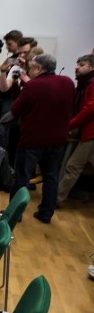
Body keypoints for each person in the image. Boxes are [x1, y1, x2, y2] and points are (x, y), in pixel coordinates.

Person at [11, 54, 76, 223]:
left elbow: (15, 110)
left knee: (22, 176)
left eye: (32, 67)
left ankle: (15, 213)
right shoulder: (68, 83)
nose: (30, 71)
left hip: (32, 139)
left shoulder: (32, 86)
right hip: (57, 139)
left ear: (39, 68)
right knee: (51, 176)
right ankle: (46, 213)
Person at [58, 54, 94, 204]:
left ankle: (56, 199)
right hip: (86, 132)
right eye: (77, 64)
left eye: (82, 65)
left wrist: (69, 125)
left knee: (73, 166)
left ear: (92, 68)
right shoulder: (84, 84)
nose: (77, 67)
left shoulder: (91, 84)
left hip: (90, 133)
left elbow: (88, 109)